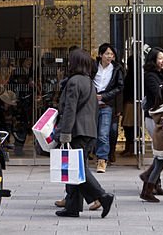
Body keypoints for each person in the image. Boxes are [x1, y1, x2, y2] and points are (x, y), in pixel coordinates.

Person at [54, 48, 115, 219]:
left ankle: (103, 196)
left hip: (76, 132)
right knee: (75, 167)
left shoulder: (74, 82)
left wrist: (65, 133)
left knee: (76, 168)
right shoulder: (89, 82)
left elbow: (69, 110)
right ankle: (72, 207)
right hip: (89, 131)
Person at [140, 47, 163, 200]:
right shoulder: (151, 76)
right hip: (154, 117)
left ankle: (152, 183)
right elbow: (160, 95)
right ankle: (150, 182)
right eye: (160, 58)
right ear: (153, 60)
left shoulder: (162, 74)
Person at [91, 43, 123, 173]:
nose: (110, 56)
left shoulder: (116, 69)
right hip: (91, 105)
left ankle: (102, 160)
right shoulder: (93, 67)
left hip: (106, 105)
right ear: (100, 55)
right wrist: (92, 95)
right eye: (107, 54)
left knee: (104, 133)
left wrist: (104, 96)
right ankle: (88, 155)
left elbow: (119, 87)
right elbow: (87, 80)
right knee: (92, 132)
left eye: (111, 54)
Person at [119, 53, 139, 157]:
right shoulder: (139, 75)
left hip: (129, 103)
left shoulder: (130, 75)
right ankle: (134, 147)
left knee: (129, 127)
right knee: (134, 127)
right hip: (135, 103)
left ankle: (130, 148)